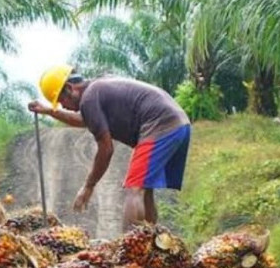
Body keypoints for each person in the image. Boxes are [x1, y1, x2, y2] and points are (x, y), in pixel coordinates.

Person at [28, 64, 190, 231]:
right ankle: (152, 245)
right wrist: (49, 111)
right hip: (178, 124)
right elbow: (84, 120)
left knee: (134, 188)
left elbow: (106, 149)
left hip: (161, 125)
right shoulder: (96, 90)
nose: (63, 106)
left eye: (62, 101)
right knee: (144, 188)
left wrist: (88, 186)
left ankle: (130, 252)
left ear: (70, 88)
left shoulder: (89, 98)